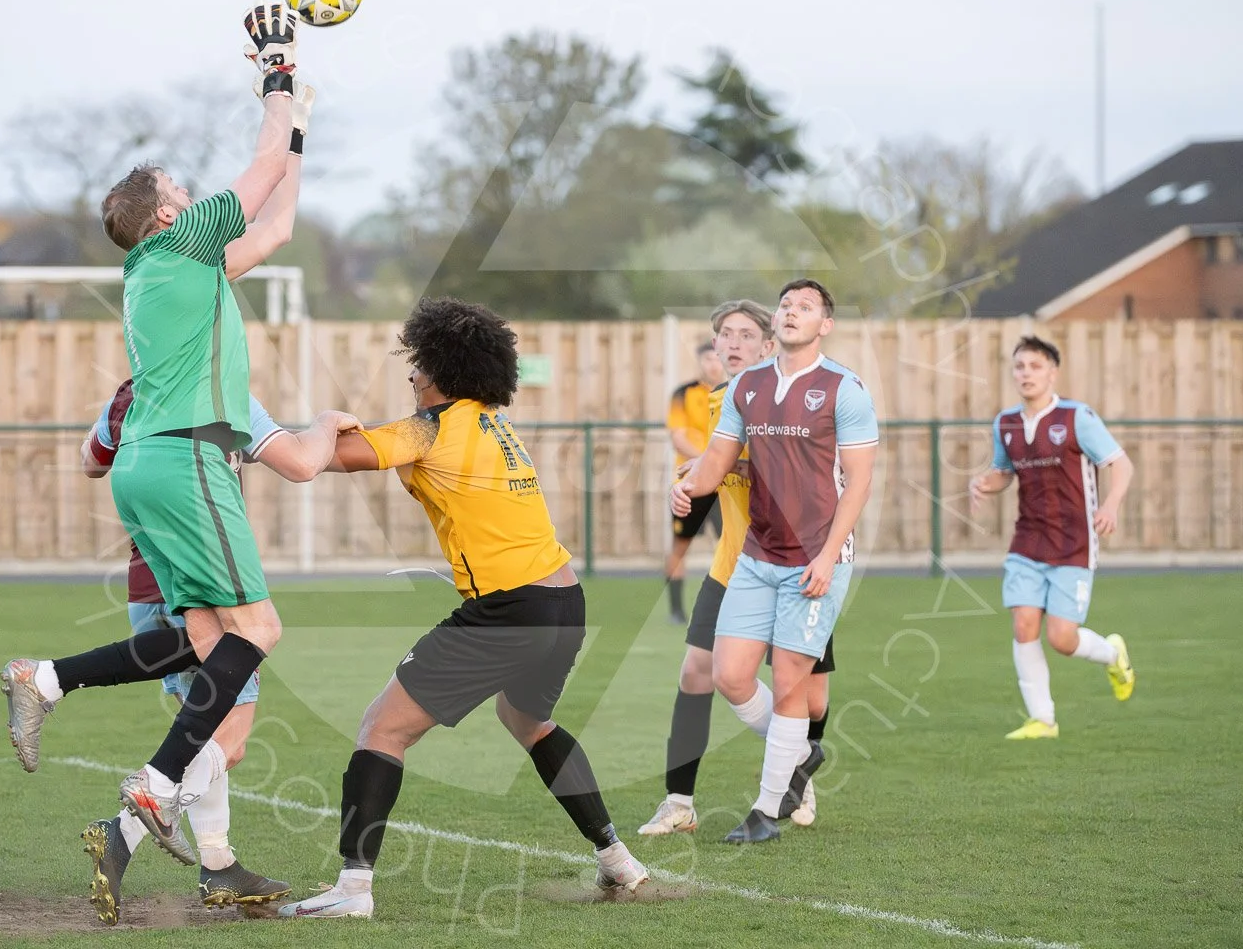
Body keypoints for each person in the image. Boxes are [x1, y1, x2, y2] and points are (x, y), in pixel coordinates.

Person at [0, 2, 354, 869]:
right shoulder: (180, 244)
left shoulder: (167, 267)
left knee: (207, 640)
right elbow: (260, 171)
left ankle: (49, 685)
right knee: (260, 629)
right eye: (180, 192)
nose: (193, 198)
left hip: (152, 467)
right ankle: (155, 788)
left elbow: (273, 227)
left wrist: (299, 126)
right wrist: (278, 67)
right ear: (164, 216)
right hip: (190, 456)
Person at [275, 297, 649, 920]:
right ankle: (618, 859)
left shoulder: (430, 427)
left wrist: (316, 422)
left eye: (418, 367)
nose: (412, 377)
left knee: (381, 730)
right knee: (528, 721)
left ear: (444, 371)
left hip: (511, 610)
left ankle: (352, 888)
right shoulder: (494, 425)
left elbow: (313, 460)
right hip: (565, 601)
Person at [64, 378, 322, 924]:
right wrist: (328, 424)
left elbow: (90, 462)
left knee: (203, 726)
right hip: (204, 581)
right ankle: (121, 835)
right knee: (228, 741)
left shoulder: (127, 394)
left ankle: (218, 863)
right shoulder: (221, 389)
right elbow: (300, 461)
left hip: (146, 582)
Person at [672, 279, 877, 844]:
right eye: (786, 305)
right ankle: (801, 756)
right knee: (730, 676)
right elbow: (717, 461)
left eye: (805, 307)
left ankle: (764, 812)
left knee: (790, 683)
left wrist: (831, 556)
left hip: (816, 555)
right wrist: (688, 486)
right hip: (757, 555)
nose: (792, 312)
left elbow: (859, 483)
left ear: (824, 325)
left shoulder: (845, 389)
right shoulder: (746, 387)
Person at [969, 336, 1137, 740]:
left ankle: (1114, 654)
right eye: (1019, 366)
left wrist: (1110, 505)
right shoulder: (1005, 423)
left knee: (1062, 638)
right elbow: (1005, 471)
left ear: (1052, 373)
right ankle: (1042, 720)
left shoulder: (1076, 417)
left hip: (1073, 542)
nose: (1026, 373)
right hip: (1028, 541)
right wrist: (984, 484)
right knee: (1023, 624)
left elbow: (1121, 463)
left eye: (1035, 366)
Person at [664, 342, 727, 623]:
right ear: (700, 361)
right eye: (708, 359)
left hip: (725, 486)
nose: (713, 364)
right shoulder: (683, 394)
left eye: (717, 359)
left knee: (730, 546)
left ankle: (728, 608)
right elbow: (678, 436)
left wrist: (719, 465)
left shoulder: (733, 392)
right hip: (690, 484)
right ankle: (676, 610)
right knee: (680, 546)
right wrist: (709, 461)